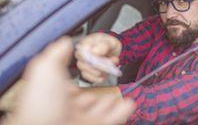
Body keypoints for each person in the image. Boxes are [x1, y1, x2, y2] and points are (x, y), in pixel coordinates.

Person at [0, 37, 135, 125]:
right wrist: (99, 43)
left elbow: (151, 100)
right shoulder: (151, 27)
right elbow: (125, 42)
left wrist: (23, 98)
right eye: (157, 2)